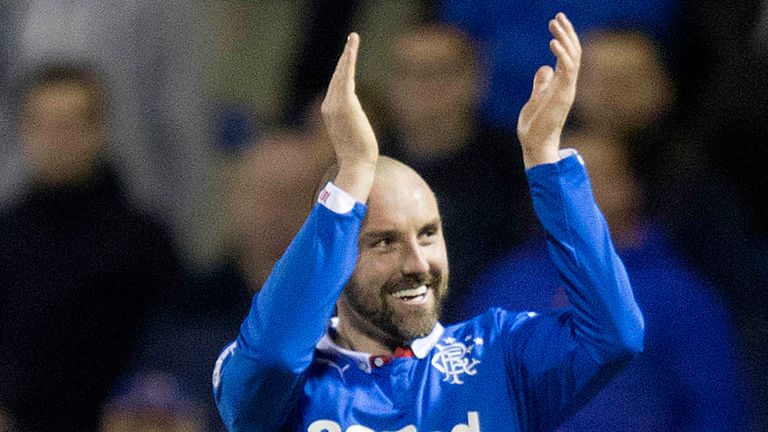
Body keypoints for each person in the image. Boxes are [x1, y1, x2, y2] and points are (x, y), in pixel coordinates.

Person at [213, 13, 644, 431]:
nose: (418, 263)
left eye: (428, 234)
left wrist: (546, 164)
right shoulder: (283, 379)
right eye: (384, 242)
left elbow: (613, 335)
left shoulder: (498, 354)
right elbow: (272, 360)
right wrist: (349, 183)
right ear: (336, 257)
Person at [0, 64, 185, 432]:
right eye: (44, 125)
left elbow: (172, 347)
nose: (57, 140)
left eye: (70, 125)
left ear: (99, 132)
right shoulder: (5, 236)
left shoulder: (143, 242)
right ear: (24, 132)